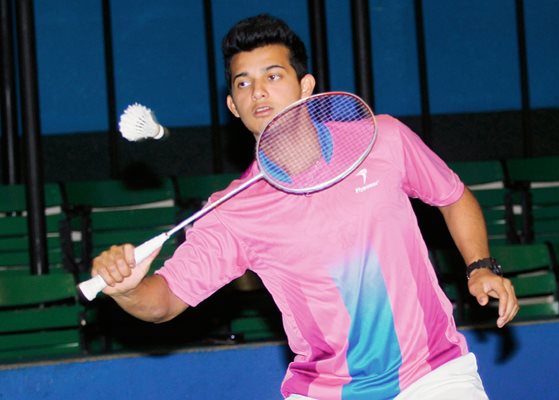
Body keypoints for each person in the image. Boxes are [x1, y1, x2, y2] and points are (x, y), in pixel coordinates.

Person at [92, 14, 519, 400]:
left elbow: (453, 196)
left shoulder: (382, 140)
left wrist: (480, 265)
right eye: (242, 83)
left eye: (273, 75)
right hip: (326, 392)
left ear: (306, 86)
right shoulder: (233, 211)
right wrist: (127, 289)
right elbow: (165, 301)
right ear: (232, 107)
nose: (257, 90)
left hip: (434, 374)